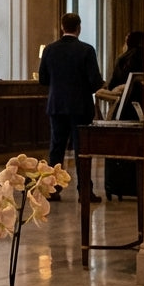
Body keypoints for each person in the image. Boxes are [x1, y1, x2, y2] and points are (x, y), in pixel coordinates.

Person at [37, 12, 104, 201]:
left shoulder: (49, 49)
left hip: (56, 105)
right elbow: (95, 82)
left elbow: (43, 79)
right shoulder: (86, 50)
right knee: (82, 149)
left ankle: (53, 189)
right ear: (79, 28)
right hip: (80, 106)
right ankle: (84, 191)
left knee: (56, 147)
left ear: (62, 27)